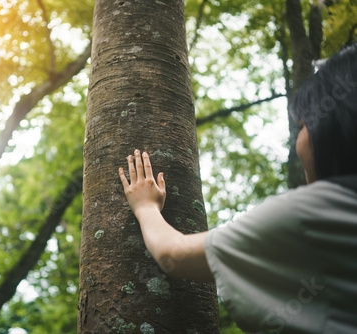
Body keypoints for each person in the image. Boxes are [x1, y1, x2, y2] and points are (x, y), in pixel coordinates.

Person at [118, 43, 357, 333]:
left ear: (336, 128)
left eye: (304, 125)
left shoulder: (314, 214)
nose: (300, 141)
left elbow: (174, 255)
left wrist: (145, 208)